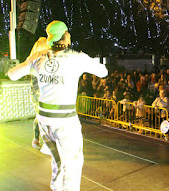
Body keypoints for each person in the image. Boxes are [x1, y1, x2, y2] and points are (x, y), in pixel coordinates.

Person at [8, 20, 108, 191]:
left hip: (44, 120)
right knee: (73, 164)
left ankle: (56, 187)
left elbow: (12, 74)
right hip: (65, 122)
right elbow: (103, 72)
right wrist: (85, 59)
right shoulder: (76, 58)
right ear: (66, 36)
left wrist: (36, 64)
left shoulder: (39, 56)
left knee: (57, 160)